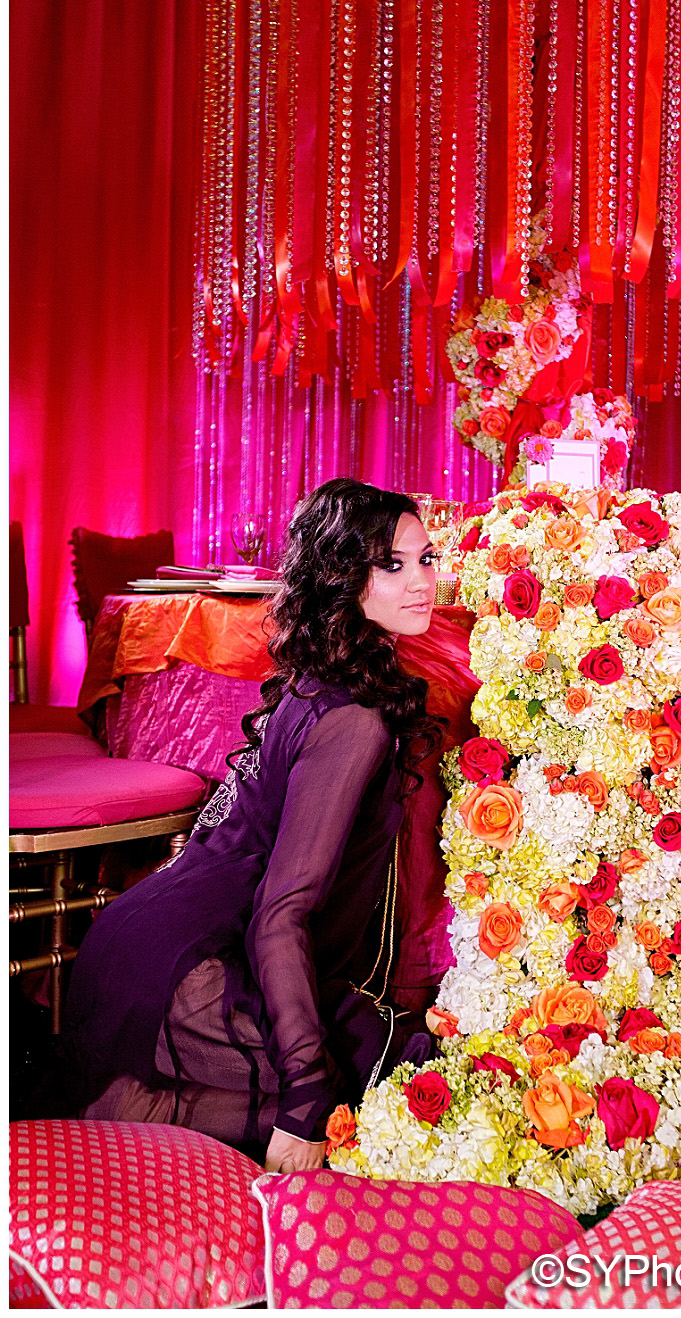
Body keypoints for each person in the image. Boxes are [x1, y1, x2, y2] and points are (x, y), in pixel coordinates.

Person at [59, 479, 445, 1173]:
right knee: (383, 1091)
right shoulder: (355, 719)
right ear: (340, 575)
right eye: (392, 565)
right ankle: (140, 1108)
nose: (421, 581)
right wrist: (305, 1099)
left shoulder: (332, 673)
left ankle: (150, 1101)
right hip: (193, 972)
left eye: (425, 559)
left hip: (151, 933)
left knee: (387, 1062)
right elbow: (280, 913)